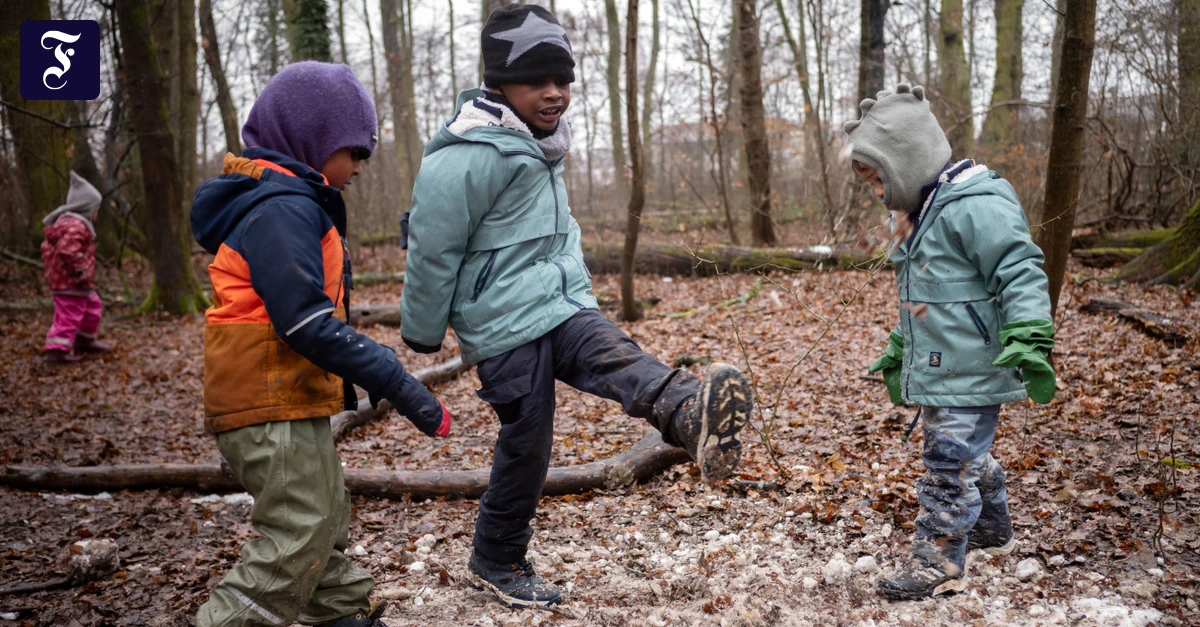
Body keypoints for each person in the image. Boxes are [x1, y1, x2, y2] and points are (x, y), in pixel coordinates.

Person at [399, 3, 753, 609]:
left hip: (561, 306)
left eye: (563, 80)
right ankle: (496, 559)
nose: (555, 93)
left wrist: (580, 292)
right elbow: (433, 247)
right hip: (503, 325)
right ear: (499, 83)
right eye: (538, 80)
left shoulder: (543, 143)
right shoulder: (466, 152)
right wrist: (423, 331)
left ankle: (692, 415)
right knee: (529, 438)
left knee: (619, 355)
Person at [190, 61, 450, 627]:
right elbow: (304, 322)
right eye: (352, 151)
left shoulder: (291, 201)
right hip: (264, 397)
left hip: (288, 395)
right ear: (310, 139)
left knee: (324, 514)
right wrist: (395, 378)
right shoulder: (281, 209)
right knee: (300, 525)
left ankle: (338, 612)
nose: (359, 166)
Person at [844, 84, 1057, 601]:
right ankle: (991, 527)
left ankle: (936, 560)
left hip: (978, 363)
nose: (876, 192)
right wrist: (902, 343)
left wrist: (1030, 332)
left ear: (907, 161)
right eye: (868, 183)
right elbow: (926, 300)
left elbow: (1020, 269)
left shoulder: (974, 205)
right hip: (943, 362)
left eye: (879, 179)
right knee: (966, 455)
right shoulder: (917, 217)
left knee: (948, 460)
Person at [41, 172, 112, 363]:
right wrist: (80, 271)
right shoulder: (75, 225)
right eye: (96, 208)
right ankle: (57, 349)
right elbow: (68, 250)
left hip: (79, 282)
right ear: (86, 207)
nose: (97, 212)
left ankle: (85, 340)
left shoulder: (76, 224)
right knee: (69, 314)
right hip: (70, 282)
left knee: (93, 305)